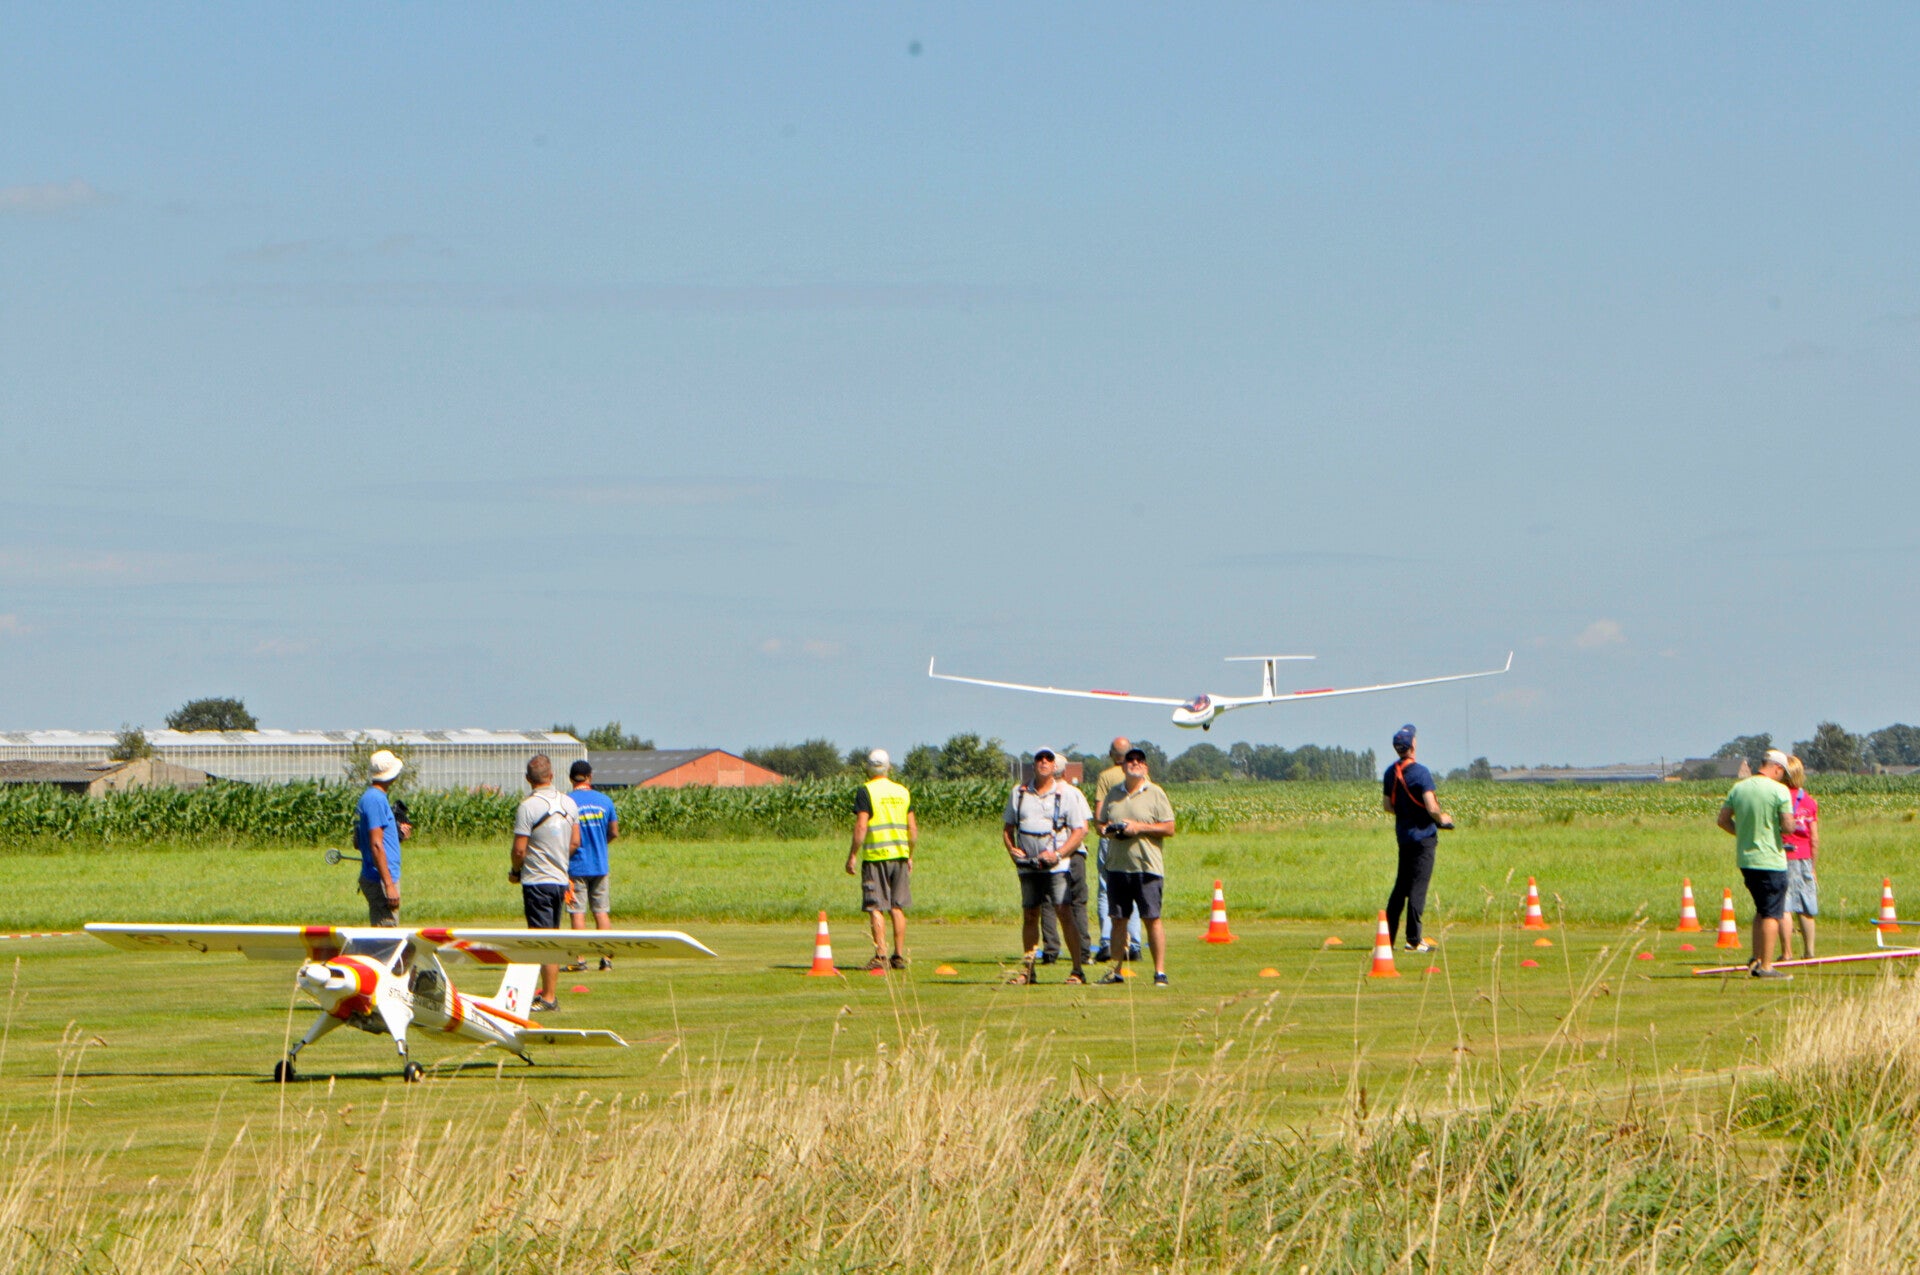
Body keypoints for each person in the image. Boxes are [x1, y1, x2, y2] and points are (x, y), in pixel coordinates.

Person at [1003, 747, 1090, 984]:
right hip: (1028, 866)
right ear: (1033, 764)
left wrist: (1059, 854)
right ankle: (1028, 971)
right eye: (1039, 758)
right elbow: (1008, 828)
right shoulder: (1018, 793)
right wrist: (1012, 850)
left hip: (1057, 866)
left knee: (1064, 912)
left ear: (1054, 766)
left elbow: (1079, 830)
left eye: (1048, 759)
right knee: (1030, 914)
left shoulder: (1066, 794)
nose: (1043, 762)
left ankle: (1077, 970)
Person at [1096, 745, 1176, 987]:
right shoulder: (1113, 793)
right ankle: (1115, 971)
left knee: (1152, 919)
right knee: (1118, 920)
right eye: (1130, 760)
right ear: (1123, 766)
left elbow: (1169, 828)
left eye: (1140, 760)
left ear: (1146, 767)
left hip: (1147, 867)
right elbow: (1100, 825)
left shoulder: (1155, 792)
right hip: (1117, 866)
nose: (1135, 763)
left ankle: (1160, 972)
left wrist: (1139, 828)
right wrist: (1110, 830)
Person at [1716, 748, 1801, 978]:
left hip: (1747, 860)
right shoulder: (1779, 791)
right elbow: (1788, 826)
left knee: (1761, 910)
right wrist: (1789, 825)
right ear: (1777, 769)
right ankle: (1766, 966)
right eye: (1783, 774)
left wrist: (1745, 833)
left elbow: (1723, 820)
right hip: (1771, 860)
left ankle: (1756, 958)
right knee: (1773, 913)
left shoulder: (1739, 788)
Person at [509, 754, 580, 1011]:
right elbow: (575, 842)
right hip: (560, 879)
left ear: (528, 779)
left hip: (536, 880)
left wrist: (515, 871)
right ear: (552, 775)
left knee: (542, 940)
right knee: (552, 934)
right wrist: (559, 859)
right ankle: (547, 994)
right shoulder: (569, 803)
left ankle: (548, 997)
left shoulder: (528, 806)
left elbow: (519, 850)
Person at [1381, 724, 1453, 953]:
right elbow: (1431, 806)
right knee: (1418, 888)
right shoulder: (1421, 772)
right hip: (1423, 838)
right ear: (1412, 745)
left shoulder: (1390, 772)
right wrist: (1442, 818)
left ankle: (1387, 938)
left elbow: (1387, 806)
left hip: (1403, 837)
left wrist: (1405, 812)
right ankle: (1413, 940)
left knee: (1400, 887)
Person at [846, 748, 917, 971]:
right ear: (888, 768)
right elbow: (912, 829)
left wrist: (853, 854)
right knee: (897, 907)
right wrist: (910, 854)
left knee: (875, 905)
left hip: (876, 856)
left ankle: (881, 955)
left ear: (868, 768)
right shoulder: (902, 791)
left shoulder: (865, 791)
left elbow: (861, 826)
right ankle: (898, 956)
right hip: (900, 855)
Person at [1092, 737, 1144, 963]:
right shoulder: (1140, 775)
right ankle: (1135, 944)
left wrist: (1101, 829)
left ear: (1112, 754)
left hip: (1112, 838)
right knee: (1135, 889)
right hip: (1135, 838)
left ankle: (1107, 942)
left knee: (1107, 889)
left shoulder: (1105, 776)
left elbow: (1099, 812)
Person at [564, 759, 619, 972]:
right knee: (601, 912)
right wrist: (601, 843)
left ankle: (579, 960)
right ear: (589, 777)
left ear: (571, 779)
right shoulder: (605, 800)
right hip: (600, 864)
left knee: (577, 912)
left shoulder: (567, 801)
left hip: (576, 865)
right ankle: (606, 960)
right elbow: (614, 832)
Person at [355, 750, 406, 926]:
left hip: (381, 876)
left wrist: (398, 835)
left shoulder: (371, 798)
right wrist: (389, 885)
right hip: (381, 879)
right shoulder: (375, 800)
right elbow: (376, 845)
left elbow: (359, 840)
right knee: (386, 934)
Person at [1780, 754, 1820, 960]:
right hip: (1804, 857)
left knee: (1784, 906)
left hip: (1782, 856)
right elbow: (1814, 838)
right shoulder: (1809, 801)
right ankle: (1809, 951)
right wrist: (1813, 867)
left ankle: (1786, 952)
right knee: (1806, 906)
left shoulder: (1779, 797)